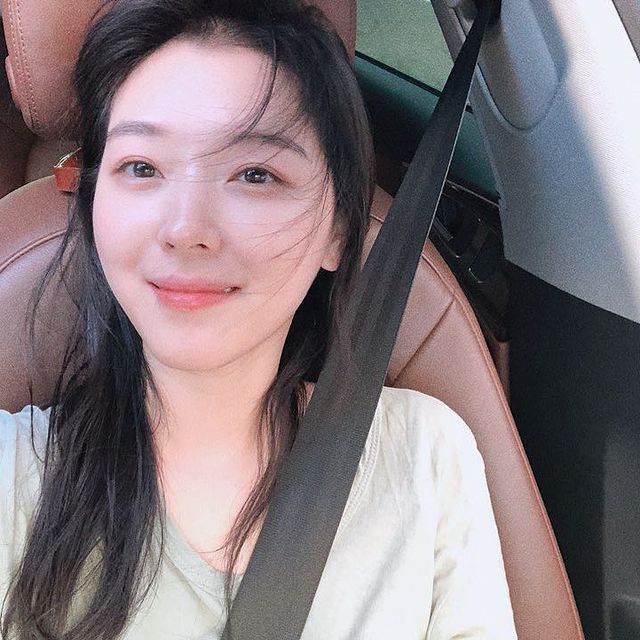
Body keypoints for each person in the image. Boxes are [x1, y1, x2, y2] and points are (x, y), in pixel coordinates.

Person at [0, 0, 517, 638]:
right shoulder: (13, 475)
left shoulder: (426, 460)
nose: (185, 228)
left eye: (254, 174)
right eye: (141, 167)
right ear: (94, 202)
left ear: (339, 230)